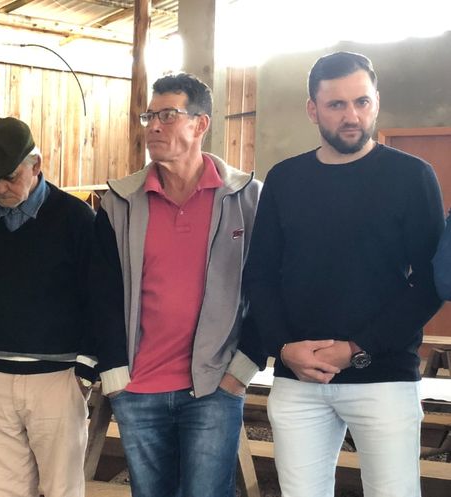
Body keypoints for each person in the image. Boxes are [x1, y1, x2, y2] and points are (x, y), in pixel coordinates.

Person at [244, 51, 444, 496]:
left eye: (362, 102)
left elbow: (430, 282)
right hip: (299, 376)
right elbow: (260, 274)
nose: (352, 116)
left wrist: (356, 348)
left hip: (384, 376)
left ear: (376, 102)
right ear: (312, 109)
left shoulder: (411, 176)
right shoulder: (285, 178)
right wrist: (283, 348)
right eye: (336, 104)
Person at [92, 73, 263, 497]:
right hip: (138, 388)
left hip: (214, 387)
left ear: (201, 124)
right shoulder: (119, 202)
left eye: (168, 115)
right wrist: (115, 375)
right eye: (149, 116)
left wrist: (240, 372)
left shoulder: (246, 198)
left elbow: (267, 290)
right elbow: (100, 293)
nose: (153, 126)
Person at [0, 117, 107, 497]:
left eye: (9, 177)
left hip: (57, 376)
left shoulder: (77, 218)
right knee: (4, 489)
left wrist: (86, 368)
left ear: (36, 165)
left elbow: (99, 295)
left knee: (62, 488)